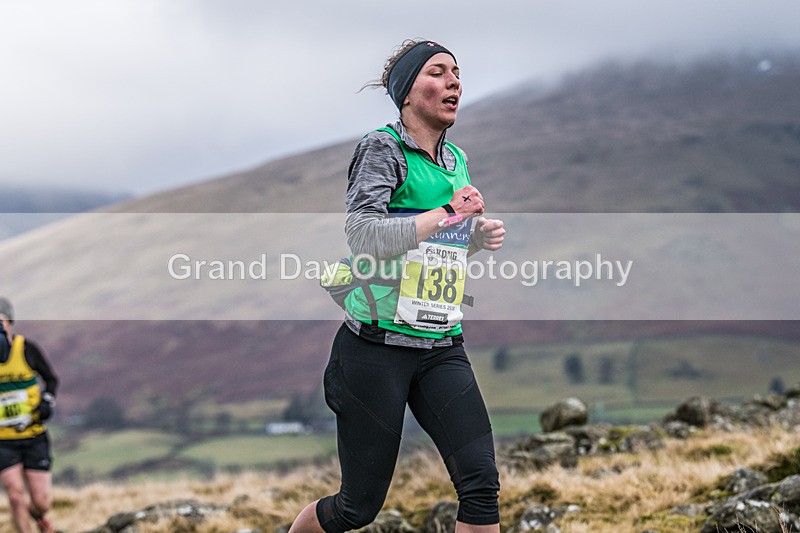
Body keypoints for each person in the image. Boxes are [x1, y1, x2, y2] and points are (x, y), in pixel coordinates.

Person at [289, 39, 505, 532]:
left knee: (481, 483)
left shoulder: (456, 160)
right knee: (356, 508)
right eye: (438, 72)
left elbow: (433, 244)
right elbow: (365, 237)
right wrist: (451, 212)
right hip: (375, 350)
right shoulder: (383, 148)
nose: (454, 82)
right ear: (407, 92)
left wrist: (475, 236)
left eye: (457, 72)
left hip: (441, 343)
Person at [0, 297, 58, 533]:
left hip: (33, 434)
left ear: (10, 321)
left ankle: (41, 518)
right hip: (3, 439)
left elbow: (51, 380)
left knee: (41, 502)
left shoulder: (27, 349)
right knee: (15, 496)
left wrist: (46, 402)